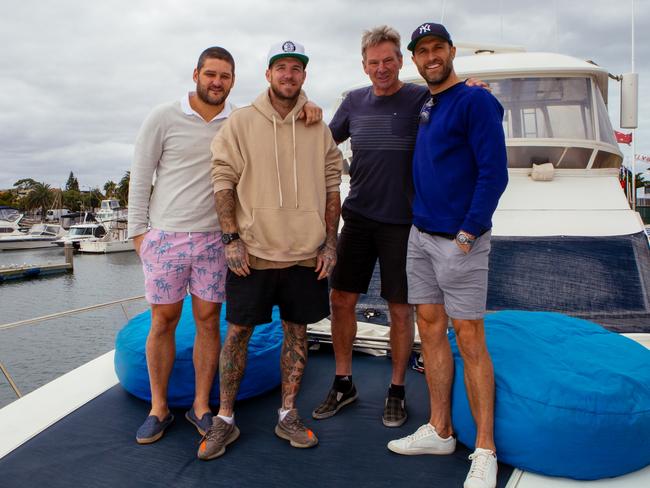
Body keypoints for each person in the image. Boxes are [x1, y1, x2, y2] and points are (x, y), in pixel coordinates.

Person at [128, 46, 322, 445]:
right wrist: (139, 234)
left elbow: (279, 122)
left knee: (207, 322)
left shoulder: (239, 120)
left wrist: (309, 106)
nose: (217, 82)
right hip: (166, 236)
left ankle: (201, 406)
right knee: (162, 321)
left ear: (234, 80)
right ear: (196, 73)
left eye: (225, 76)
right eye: (210, 74)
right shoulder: (163, 117)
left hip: (216, 239)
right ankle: (158, 408)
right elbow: (141, 174)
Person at [312, 25, 487, 428]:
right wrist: (307, 114)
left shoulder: (421, 98)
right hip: (358, 217)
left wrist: (477, 86)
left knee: (399, 309)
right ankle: (343, 382)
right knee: (340, 299)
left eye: (389, 60)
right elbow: (320, 143)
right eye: (374, 62)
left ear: (401, 61)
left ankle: (396, 389)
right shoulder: (353, 101)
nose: (382, 68)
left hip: (404, 223)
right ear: (364, 65)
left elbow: (459, 100)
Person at [198, 40, 343, 461]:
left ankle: (288, 413)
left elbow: (333, 185)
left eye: (296, 69)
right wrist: (230, 239)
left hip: (305, 254)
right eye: (280, 67)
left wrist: (330, 242)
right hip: (252, 255)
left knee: (297, 334)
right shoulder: (242, 122)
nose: (288, 75)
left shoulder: (319, 125)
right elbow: (222, 179)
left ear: (303, 76)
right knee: (238, 334)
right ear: (268, 75)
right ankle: (224, 418)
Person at [386, 23, 508, 488]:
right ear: (414, 59)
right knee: (431, 331)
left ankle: (484, 449)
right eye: (422, 51)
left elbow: (494, 174)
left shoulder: (475, 100)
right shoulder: (428, 103)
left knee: (470, 338)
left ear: (452, 52)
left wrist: (467, 233)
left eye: (438, 48)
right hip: (421, 236)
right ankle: (440, 429)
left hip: (461, 241)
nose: (430, 56)